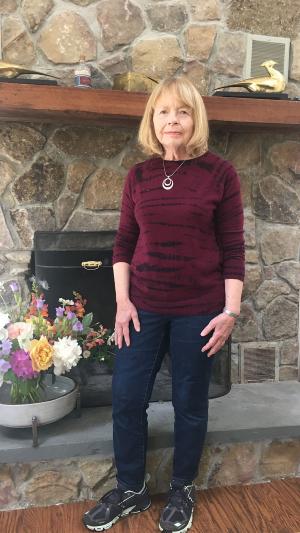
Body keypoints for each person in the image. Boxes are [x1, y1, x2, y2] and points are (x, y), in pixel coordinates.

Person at [83, 75, 245, 533]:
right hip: (143, 308)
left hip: (199, 309)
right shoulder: (138, 175)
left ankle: (182, 488)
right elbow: (123, 244)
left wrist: (230, 311)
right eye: (162, 111)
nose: (172, 119)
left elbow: (233, 247)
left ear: (195, 118)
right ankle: (132, 488)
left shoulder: (220, 174)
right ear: (151, 120)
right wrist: (122, 302)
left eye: (182, 111)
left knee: (190, 402)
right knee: (126, 398)